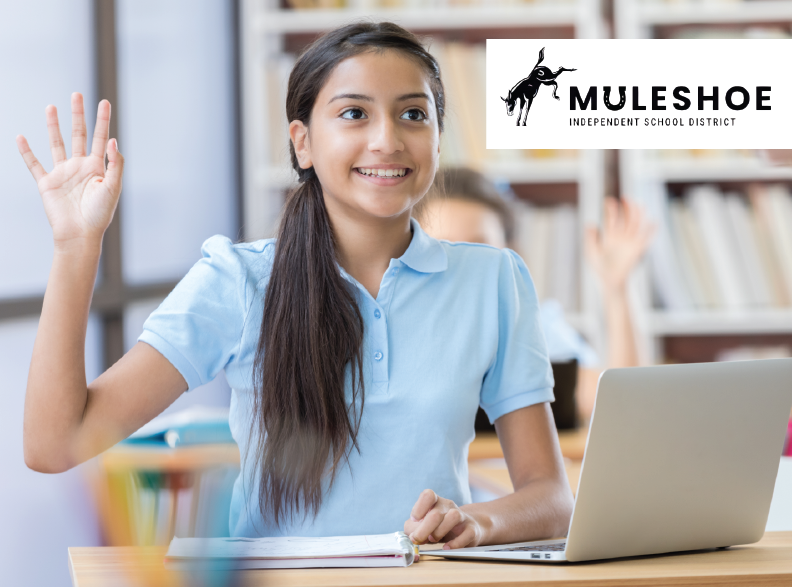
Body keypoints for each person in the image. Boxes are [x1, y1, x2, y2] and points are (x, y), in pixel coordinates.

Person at [17, 22, 573, 548]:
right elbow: (56, 443)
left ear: (437, 138)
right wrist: (75, 247)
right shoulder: (236, 281)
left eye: (413, 115)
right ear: (302, 143)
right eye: (354, 113)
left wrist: (477, 519)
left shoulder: (494, 281)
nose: (387, 139)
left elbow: (550, 497)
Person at [415, 168, 655, 420]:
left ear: (511, 254)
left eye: (480, 248)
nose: (464, 265)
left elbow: (624, 407)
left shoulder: (533, 328)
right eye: (443, 248)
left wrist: (616, 289)